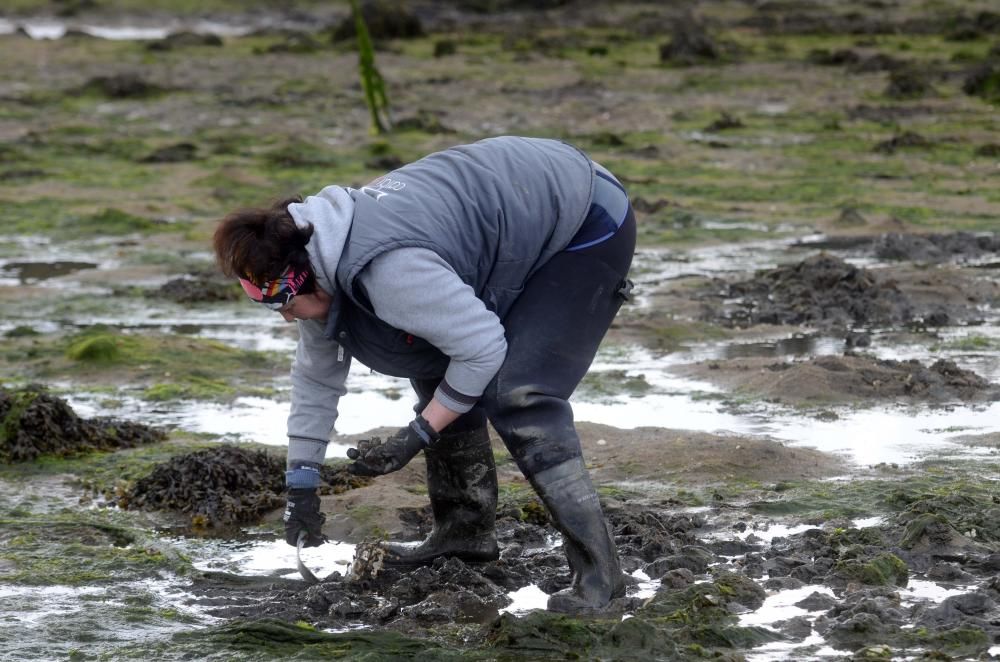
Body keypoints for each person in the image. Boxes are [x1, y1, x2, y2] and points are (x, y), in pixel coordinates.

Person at [213, 136, 635, 612]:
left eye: (285, 304)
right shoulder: (320, 259)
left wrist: (418, 432)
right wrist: (301, 487)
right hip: (510, 209)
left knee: (519, 394)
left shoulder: (391, 271)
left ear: (304, 274)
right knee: (432, 352)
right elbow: (316, 379)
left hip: (584, 215)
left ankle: (601, 577)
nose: (286, 317)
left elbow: (481, 348)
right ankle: (463, 534)